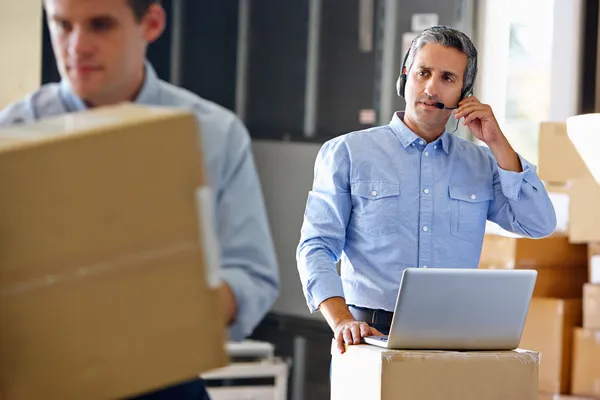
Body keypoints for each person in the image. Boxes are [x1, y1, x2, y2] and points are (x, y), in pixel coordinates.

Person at [0, 0, 279, 398]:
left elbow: (253, 274)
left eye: (100, 25)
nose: (77, 46)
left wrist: (168, 306)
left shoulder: (213, 134)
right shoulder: (12, 134)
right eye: (62, 26)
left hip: (161, 380)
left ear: (150, 23)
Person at [296, 25, 556, 355]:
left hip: (454, 339)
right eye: (423, 73)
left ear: (464, 93)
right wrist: (341, 320)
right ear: (405, 76)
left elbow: (538, 224)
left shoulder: (482, 163)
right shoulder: (347, 153)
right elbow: (316, 246)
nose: (431, 88)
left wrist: (497, 142)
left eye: (447, 78)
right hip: (369, 336)